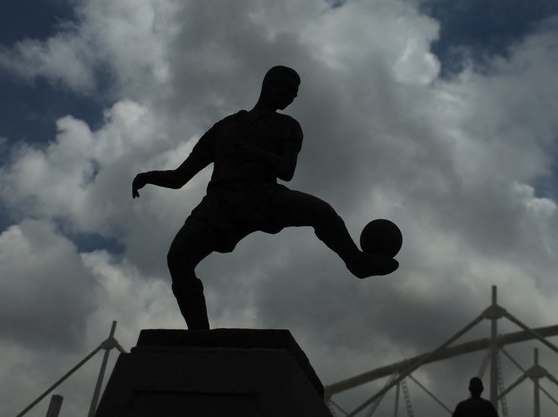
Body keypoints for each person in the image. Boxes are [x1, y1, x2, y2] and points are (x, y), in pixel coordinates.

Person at [132, 66, 398, 329]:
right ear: (269, 85)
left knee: (322, 212)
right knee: (178, 258)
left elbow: (287, 171)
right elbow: (181, 176)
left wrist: (255, 153)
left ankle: (357, 262)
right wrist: (149, 176)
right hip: (220, 203)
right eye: (289, 90)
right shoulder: (225, 127)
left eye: (295, 93)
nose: (292, 97)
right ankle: (200, 336)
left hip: (263, 196)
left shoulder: (288, 126)